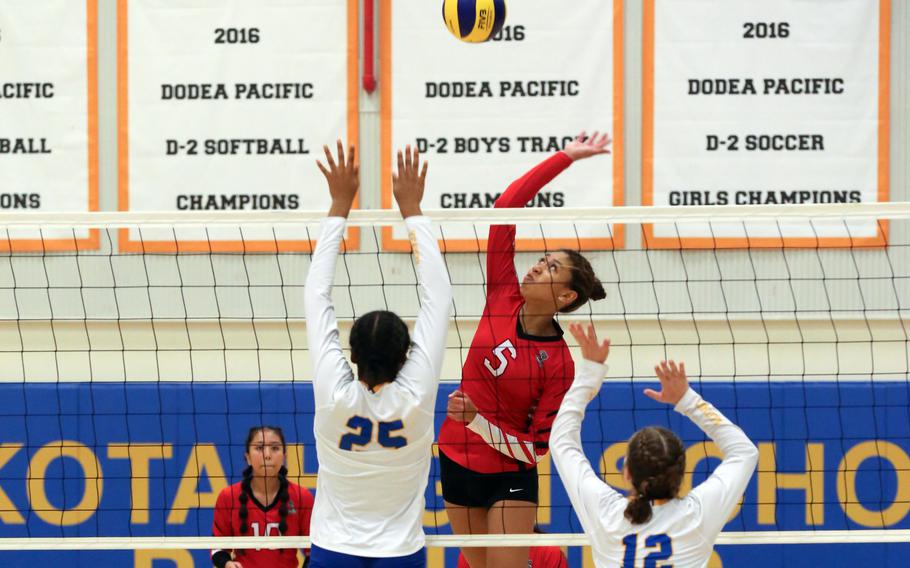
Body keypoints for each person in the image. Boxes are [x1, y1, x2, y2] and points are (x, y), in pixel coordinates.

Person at [438, 132, 611, 568]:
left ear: (567, 297)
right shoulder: (502, 293)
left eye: (552, 267)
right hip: (455, 456)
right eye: (542, 258)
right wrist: (565, 158)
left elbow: (534, 451)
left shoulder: (559, 363)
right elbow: (505, 209)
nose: (537, 265)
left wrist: (478, 422)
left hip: (508, 476)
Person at [305, 142, 452, 567]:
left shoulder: (336, 394)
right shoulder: (416, 397)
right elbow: (439, 299)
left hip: (334, 549)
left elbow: (316, 296)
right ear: (406, 355)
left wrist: (339, 205)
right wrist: (413, 209)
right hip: (400, 554)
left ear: (350, 354)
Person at [551, 323, 760, 567]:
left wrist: (590, 372)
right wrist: (688, 400)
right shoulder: (697, 516)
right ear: (681, 473)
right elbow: (745, 451)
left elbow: (562, 440)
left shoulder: (606, 513)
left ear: (626, 472)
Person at [211, 426, 314, 568]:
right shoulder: (228, 497)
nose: (267, 455)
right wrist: (227, 564)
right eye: (259, 448)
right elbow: (218, 549)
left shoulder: (302, 497)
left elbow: (313, 552)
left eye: (275, 448)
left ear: (284, 456)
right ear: (247, 457)